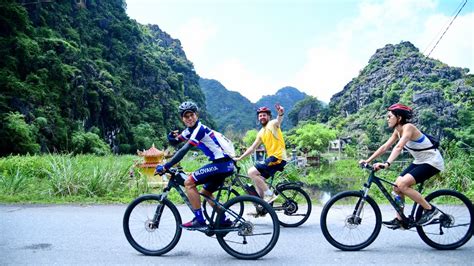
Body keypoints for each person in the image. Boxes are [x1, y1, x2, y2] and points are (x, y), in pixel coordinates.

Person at [359, 103, 444, 229]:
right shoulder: (397, 131)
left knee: (403, 184)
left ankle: (430, 210)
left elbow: (399, 147)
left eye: (390, 116)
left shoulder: (408, 127)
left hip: (432, 161)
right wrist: (368, 160)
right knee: (397, 187)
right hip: (420, 160)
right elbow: (384, 147)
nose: (387, 119)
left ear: (399, 118)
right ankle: (400, 220)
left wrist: (387, 163)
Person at [155, 101, 235, 229]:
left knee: (189, 183)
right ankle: (224, 220)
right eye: (186, 116)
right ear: (182, 119)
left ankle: (199, 220)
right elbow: (176, 142)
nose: (190, 118)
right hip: (225, 165)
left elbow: (183, 150)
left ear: (196, 115)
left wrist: (166, 166)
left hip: (222, 164)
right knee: (206, 192)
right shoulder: (188, 131)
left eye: (191, 115)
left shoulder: (199, 130)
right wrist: (170, 137)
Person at [235, 104, 287, 204]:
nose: (262, 117)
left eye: (264, 115)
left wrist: (281, 114)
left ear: (269, 117)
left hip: (277, 157)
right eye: (260, 116)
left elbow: (278, 120)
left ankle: (270, 194)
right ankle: (262, 207)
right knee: (258, 181)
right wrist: (240, 158)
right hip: (273, 159)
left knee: (251, 172)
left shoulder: (272, 124)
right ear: (258, 118)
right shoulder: (261, 132)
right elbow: (252, 148)